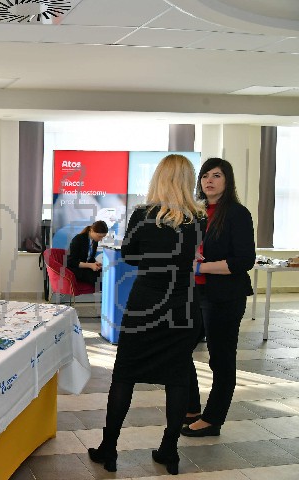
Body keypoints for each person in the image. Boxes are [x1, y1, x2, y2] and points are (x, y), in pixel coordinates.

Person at [88, 154, 205, 475]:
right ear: (189, 180)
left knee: (125, 374)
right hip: (182, 306)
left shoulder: (142, 215)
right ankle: (170, 450)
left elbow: (129, 254)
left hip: (146, 304)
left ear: (158, 178)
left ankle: (109, 448)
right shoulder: (198, 219)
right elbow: (190, 256)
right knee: (177, 377)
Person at [181, 158, 255, 437]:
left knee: (220, 359)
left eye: (216, 176)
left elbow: (244, 260)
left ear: (227, 181)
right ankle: (191, 408)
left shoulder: (237, 213)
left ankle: (213, 419)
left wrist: (201, 268)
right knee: (179, 349)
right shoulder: (196, 212)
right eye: (205, 176)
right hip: (194, 291)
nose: (209, 181)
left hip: (225, 295)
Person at [66, 220, 108, 285]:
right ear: (92, 231)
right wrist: (90, 265)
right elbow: (71, 262)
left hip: (85, 267)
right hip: (75, 269)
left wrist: (95, 263)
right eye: (99, 236)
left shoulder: (94, 241)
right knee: (100, 280)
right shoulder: (78, 239)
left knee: (106, 275)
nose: (101, 239)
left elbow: (90, 258)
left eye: (103, 237)